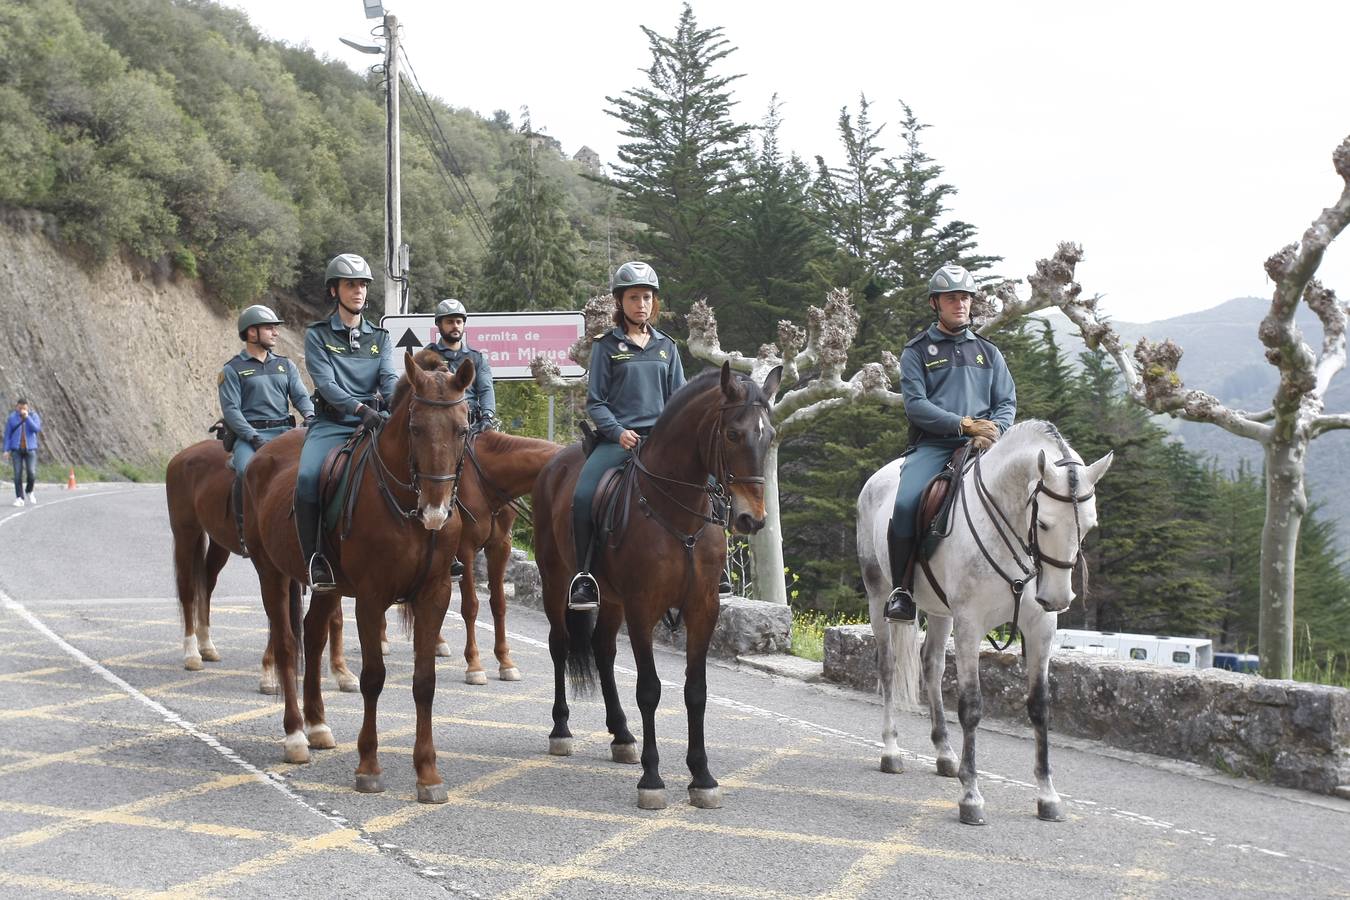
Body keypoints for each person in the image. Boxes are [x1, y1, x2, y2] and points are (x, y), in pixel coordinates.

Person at [885, 263, 1017, 622]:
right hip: (935, 446)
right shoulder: (917, 351)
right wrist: (964, 424)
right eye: (951, 298)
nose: (960, 304)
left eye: (965, 298)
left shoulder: (989, 353)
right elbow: (916, 406)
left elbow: (1006, 401)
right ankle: (902, 591)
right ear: (935, 304)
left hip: (985, 447)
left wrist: (996, 430)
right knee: (907, 504)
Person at [568, 261, 685, 610]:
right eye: (634, 297)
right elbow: (596, 402)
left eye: (647, 297)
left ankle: (714, 567)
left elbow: (678, 399)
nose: (641, 304)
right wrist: (618, 433)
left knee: (710, 484)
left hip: (660, 443)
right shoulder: (606, 345)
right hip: (619, 442)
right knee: (584, 496)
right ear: (621, 302)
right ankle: (585, 578)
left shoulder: (667, 347)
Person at [296, 253, 399, 590]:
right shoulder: (318, 335)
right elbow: (325, 384)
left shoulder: (379, 338)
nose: (358, 292)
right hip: (334, 423)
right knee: (308, 477)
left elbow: (388, 378)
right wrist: (359, 409)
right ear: (333, 291)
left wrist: (400, 404)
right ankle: (315, 559)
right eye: (350, 285)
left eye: (363, 286)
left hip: (376, 421)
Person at [219, 304, 314, 550]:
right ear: (252, 333)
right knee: (244, 470)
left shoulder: (285, 366)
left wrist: (310, 415)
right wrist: (253, 437)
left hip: (285, 433)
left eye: (276, 328)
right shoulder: (232, 370)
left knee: (313, 471)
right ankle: (243, 533)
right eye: (270, 328)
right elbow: (231, 411)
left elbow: (301, 396)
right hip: (250, 436)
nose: (276, 333)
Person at [426, 299, 497, 427]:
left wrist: (487, 416)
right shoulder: (428, 356)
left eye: (459, 322)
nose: (455, 326)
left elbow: (486, 389)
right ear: (438, 324)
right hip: (437, 424)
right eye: (450, 322)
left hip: (471, 424)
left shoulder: (477, 358)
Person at [3, 398, 42, 507]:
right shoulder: (12, 418)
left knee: (32, 473)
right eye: (20, 408)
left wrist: (27, 417)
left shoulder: (33, 416)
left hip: (30, 449)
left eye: (24, 408)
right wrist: (6, 450)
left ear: (27, 408)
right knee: (17, 475)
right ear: (16, 407)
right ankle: (19, 498)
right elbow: (7, 435)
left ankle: (29, 490)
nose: (21, 410)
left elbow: (36, 429)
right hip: (16, 450)